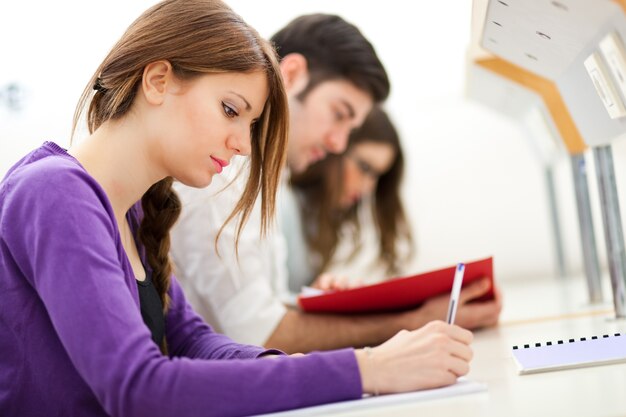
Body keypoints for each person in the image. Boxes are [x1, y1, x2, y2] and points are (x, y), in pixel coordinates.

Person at [0, 1, 475, 416]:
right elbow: (138, 388)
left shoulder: (134, 212)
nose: (243, 145)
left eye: (250, 123)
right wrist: (367, 369)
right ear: (158, 80)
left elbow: (195, 342)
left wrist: (335, 369)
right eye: (231, 110)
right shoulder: (55, 193)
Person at [170, 13, 500, 355]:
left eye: (350, 129)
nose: (339, 145)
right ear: (293, 76)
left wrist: (320, 304)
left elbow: (265, 311)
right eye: (339, 114)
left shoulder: (266, 179)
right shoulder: (217, 176)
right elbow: (260, 334)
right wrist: (413, 320)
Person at [284, 106, 414, 291]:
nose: (368, 187)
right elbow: (259, 313)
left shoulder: (318, 220)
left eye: (377, 176)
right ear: (336, 148)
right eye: (365, 167)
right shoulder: (282, 207)